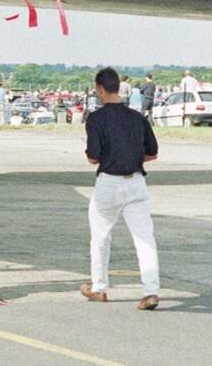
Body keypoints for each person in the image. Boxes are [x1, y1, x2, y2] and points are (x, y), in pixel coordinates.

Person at [80, 67, 160, 311]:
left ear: (101, 89)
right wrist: (130, 157)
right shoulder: (138, 117)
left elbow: (94, 157)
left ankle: (99, 287)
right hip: (136, 182)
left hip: (109, 183)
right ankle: (150, 291)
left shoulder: (96, 119)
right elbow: (153, 153)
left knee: (101, 236)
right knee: (144, 238)